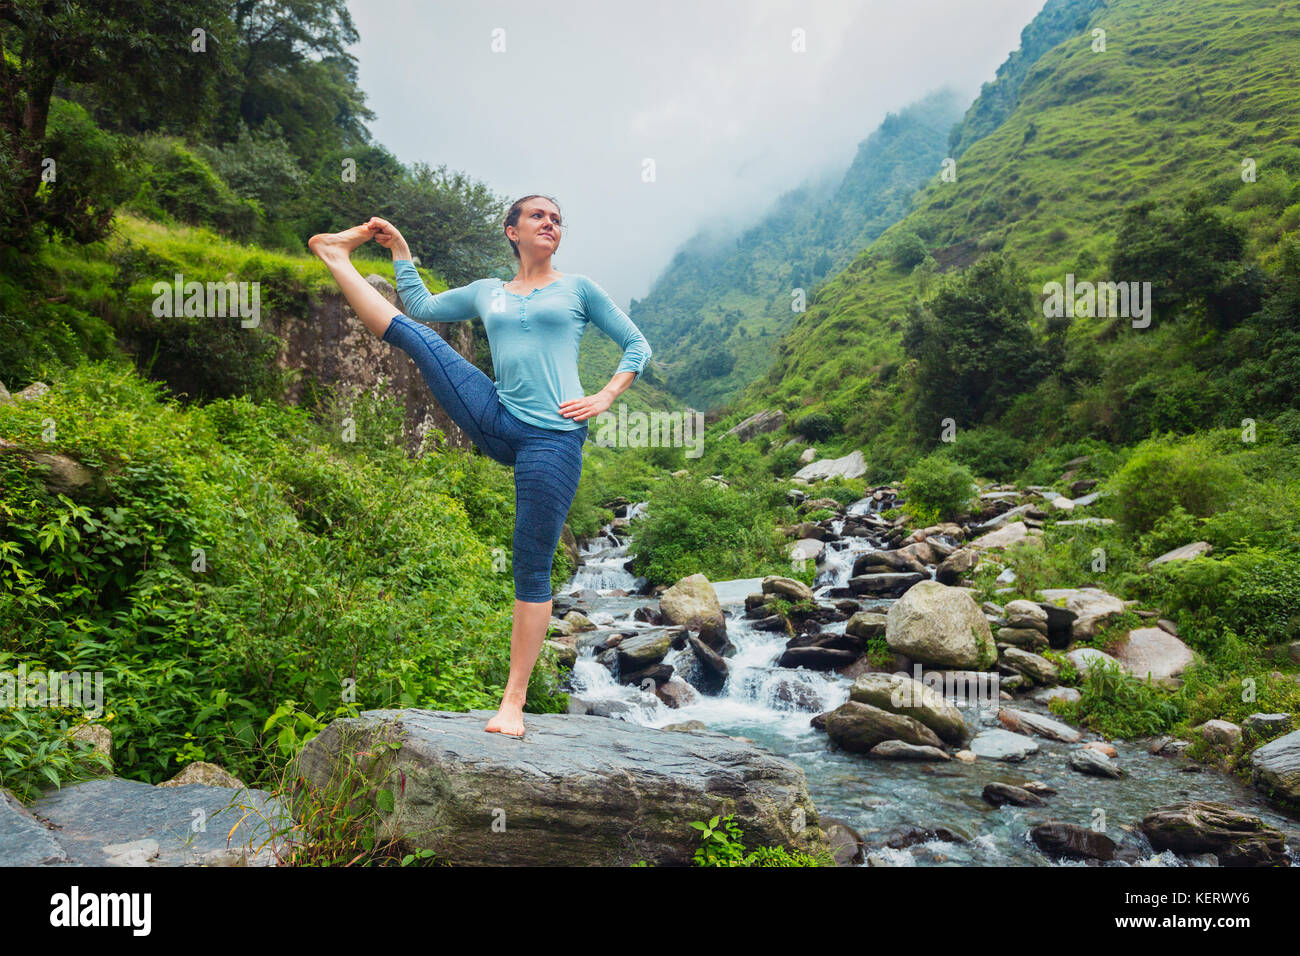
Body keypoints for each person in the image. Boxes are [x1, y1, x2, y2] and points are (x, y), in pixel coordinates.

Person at [307, 195, 651, 737]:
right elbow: (418, 302)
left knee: (530, 565)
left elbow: (636, 345)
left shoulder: (579, 289)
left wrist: (606, 395)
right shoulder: (488, 292)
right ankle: (334, 256)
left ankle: (512, 706)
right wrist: (399, 250)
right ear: (511, 230)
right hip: (495, 414)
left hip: (553, 439)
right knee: (419, 337)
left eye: (557, 219)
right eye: (539, 216)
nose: (550, 224)